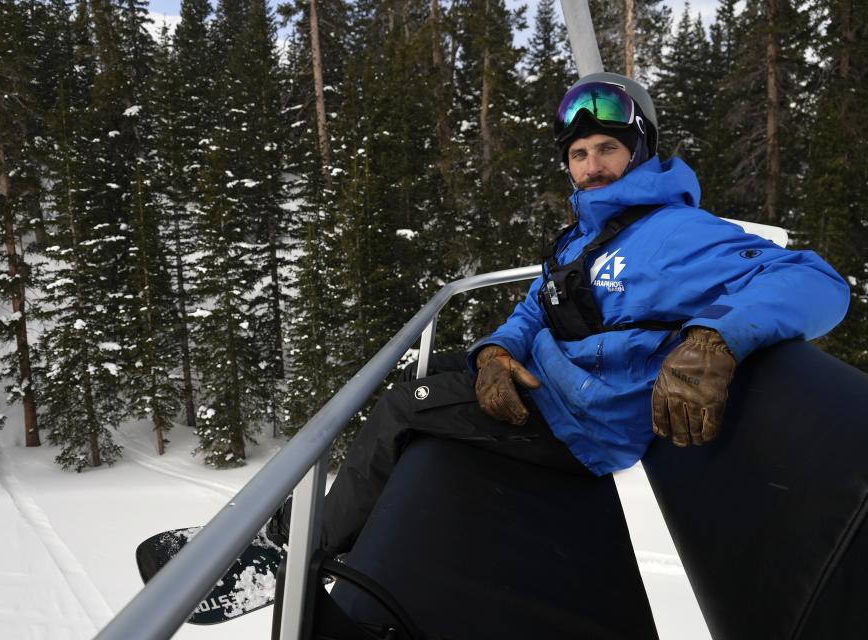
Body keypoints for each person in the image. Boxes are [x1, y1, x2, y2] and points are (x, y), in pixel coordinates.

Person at [268, 72, 850, 555]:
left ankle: (307, 550)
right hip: (555, 383)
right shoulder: (587, 235)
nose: (592, 165)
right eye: (579, 154)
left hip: (585, 423)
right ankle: (361, 520)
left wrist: (715, 340)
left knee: (403, 407)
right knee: (427, 372)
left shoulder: (674, 232)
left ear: (639, 150)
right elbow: (536, 307)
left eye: (607, 149)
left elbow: (817, 280)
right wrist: (495, 353)